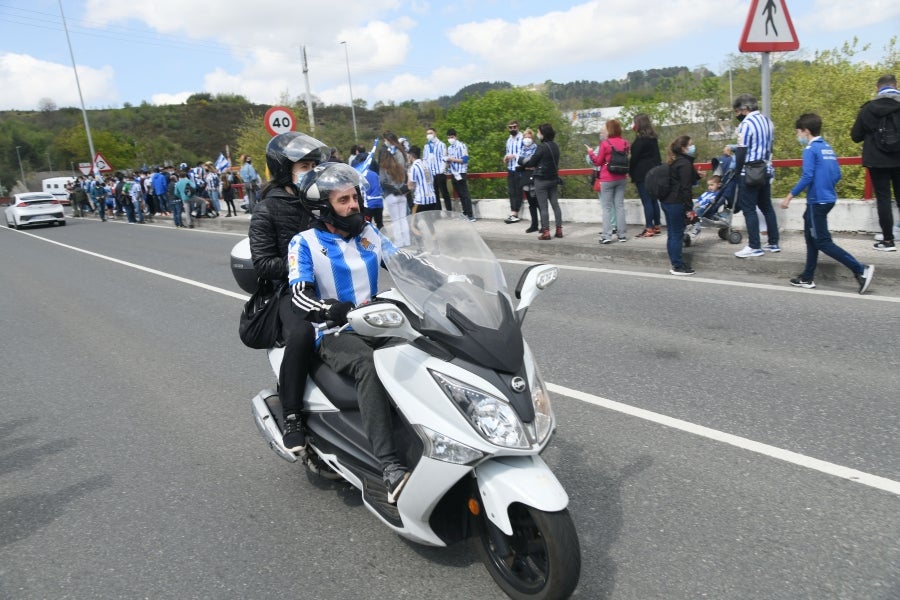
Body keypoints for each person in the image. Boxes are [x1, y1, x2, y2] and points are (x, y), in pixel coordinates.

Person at [288, 162, 411, 503]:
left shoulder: (368, 233)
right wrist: (334, 309)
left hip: (376, 321)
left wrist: (446, 279)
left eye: (354, 197)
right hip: (334, 331)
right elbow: (299, 295)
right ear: (323, 207)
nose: (354, 205)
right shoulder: (305, 243)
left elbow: (401, 262)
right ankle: (389, 467)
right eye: (344, 200)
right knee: (370, 365)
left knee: (426, 347)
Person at [249, 131, 329, 452]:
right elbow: (264, 264)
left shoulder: (321, 200)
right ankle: (292, 412)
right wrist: (301, 266)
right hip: (290, 290)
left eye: (313, 164)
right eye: (302, 165)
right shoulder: (267, 210)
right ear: (284, 169)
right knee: (301, 334)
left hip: (330, 282)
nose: (309, 170)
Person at [782, 113, 875, 293]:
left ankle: (861, 269)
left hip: (817, 201)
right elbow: (837, 174)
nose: (798, 136)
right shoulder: (827, 147)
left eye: (798, 132)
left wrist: (789, 196)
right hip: (827, 198)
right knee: (811, 237)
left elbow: (807, 175)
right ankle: (807, 277)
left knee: (823, 242)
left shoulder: (810, 150)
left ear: (806, 131)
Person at [851, 73, 900, 251]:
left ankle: (888, 241)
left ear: (877, 88)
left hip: (877, 160)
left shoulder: (868, 109)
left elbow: (855, 136)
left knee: (884, 199)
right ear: (895, 85)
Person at [730, 93, 780, 258]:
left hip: (750, 171)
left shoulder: (746, 124)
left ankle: (754, 246)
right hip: (765, 169)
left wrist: (737, 172)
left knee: (749, 209)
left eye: (737, 111)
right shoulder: (768, 122)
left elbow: (742, 150)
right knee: (767, 207)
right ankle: (773, 242)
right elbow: (771, 146)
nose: (737, 115)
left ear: (745, 109)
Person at [661, 135, 703, 275]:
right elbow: (685, 187)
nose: (693, 146)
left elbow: (680, 179)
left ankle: (675, 262)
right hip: (676, 202)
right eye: (690, 144)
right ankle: (677, 266)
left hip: (667, 201)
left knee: (672, 234)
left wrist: (697, 176)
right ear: (684, 148)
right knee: (677, 234)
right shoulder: (684, 163)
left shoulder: (675, 161)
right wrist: (688, 208)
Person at [588, 119, 630, 243]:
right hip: (621, 177)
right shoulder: (625, 143)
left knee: (606, 208)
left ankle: (607, 236)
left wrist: (591, 153)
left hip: (607, 178)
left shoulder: (605, 144)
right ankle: (621, 235)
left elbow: (598, 162)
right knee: (619, 206)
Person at [520, 123, 562, 240]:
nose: (538, 134)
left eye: (539, 132)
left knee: (543, 207)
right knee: (555, 205)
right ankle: (559, 229)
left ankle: (546, 232)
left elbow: (532, 162)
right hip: (553, 179)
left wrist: (523, 161)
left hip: (541, 180)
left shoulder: (541, 147)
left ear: (542, 133)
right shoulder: (555, 146)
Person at [630, 113, 663, 237]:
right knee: (654, 200)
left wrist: (631, 172)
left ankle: (649, 227)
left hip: (641, 173)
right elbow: (658, 157)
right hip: (654, 172)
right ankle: (657, 225)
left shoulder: (640, 141)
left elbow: (634, 159)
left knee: (646, 201)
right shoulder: (653, 138)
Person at [378, 131, 411, 245]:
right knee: (403, 219)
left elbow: (382, 180)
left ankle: (399, 243)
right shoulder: (401, 154)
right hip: (402, 192)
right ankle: (407, 241)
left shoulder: (385, 163)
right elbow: (406, 172)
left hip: (390, 194)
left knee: (396, 220)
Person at [444, 128, 476, 221]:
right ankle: (465, 213)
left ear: (456, 136)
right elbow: (449, 161)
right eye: (449, 137)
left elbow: (465, 159)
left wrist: (453, 159)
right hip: (453, 173)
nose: (450, 139)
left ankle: (470, 215)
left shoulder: (462, 146)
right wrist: (447, 162)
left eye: (452, 137)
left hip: (461, 172)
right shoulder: (449, 148)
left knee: (465, 194)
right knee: (460, 194)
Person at [423, 127, 453, 211]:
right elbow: (425, 159)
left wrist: (441, 171)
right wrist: (426, 173)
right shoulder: (426, 146)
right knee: (435, 194)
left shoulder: (441, 144)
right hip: (430, 174)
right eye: (427, 133)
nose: (429, 135)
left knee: (444, 193)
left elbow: (444, 158)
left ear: (435, 133)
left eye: (430, 133)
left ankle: (449, 211)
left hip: (440, 173)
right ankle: (438, 212)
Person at [503, 119, 525, 223]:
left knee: (518, 191)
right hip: (510, 168)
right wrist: (506, 158)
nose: (512, 129)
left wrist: (514, 156)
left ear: (518, 127)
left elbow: (524, 153)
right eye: (510, 127)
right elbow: (507, 152)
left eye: (514, 127)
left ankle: (515, 213)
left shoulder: (522, 138)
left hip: (519, 167)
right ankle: (512, 212)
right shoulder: (509, 140)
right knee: (511, 191)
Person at [407, 145, 439, 213]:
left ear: (411, 155)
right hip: (432, 198)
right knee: (429, 221)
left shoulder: (414, 167)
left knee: (413, 220)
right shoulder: (426, 165)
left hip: (421, 200)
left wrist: (408, 175)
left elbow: (411, 186)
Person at [519, 127, 539, 233]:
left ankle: (544, 225)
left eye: (529, 137)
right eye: (525, 137)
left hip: (535, 177)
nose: (527, 139)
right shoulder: (522, 149)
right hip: (526, 177)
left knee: (538, 202)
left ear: (533, 138)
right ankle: (534, 224)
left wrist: (527, 163)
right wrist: (527, 163)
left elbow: (534, 162)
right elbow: (519, 161)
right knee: (531, 203)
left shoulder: (537, 148)